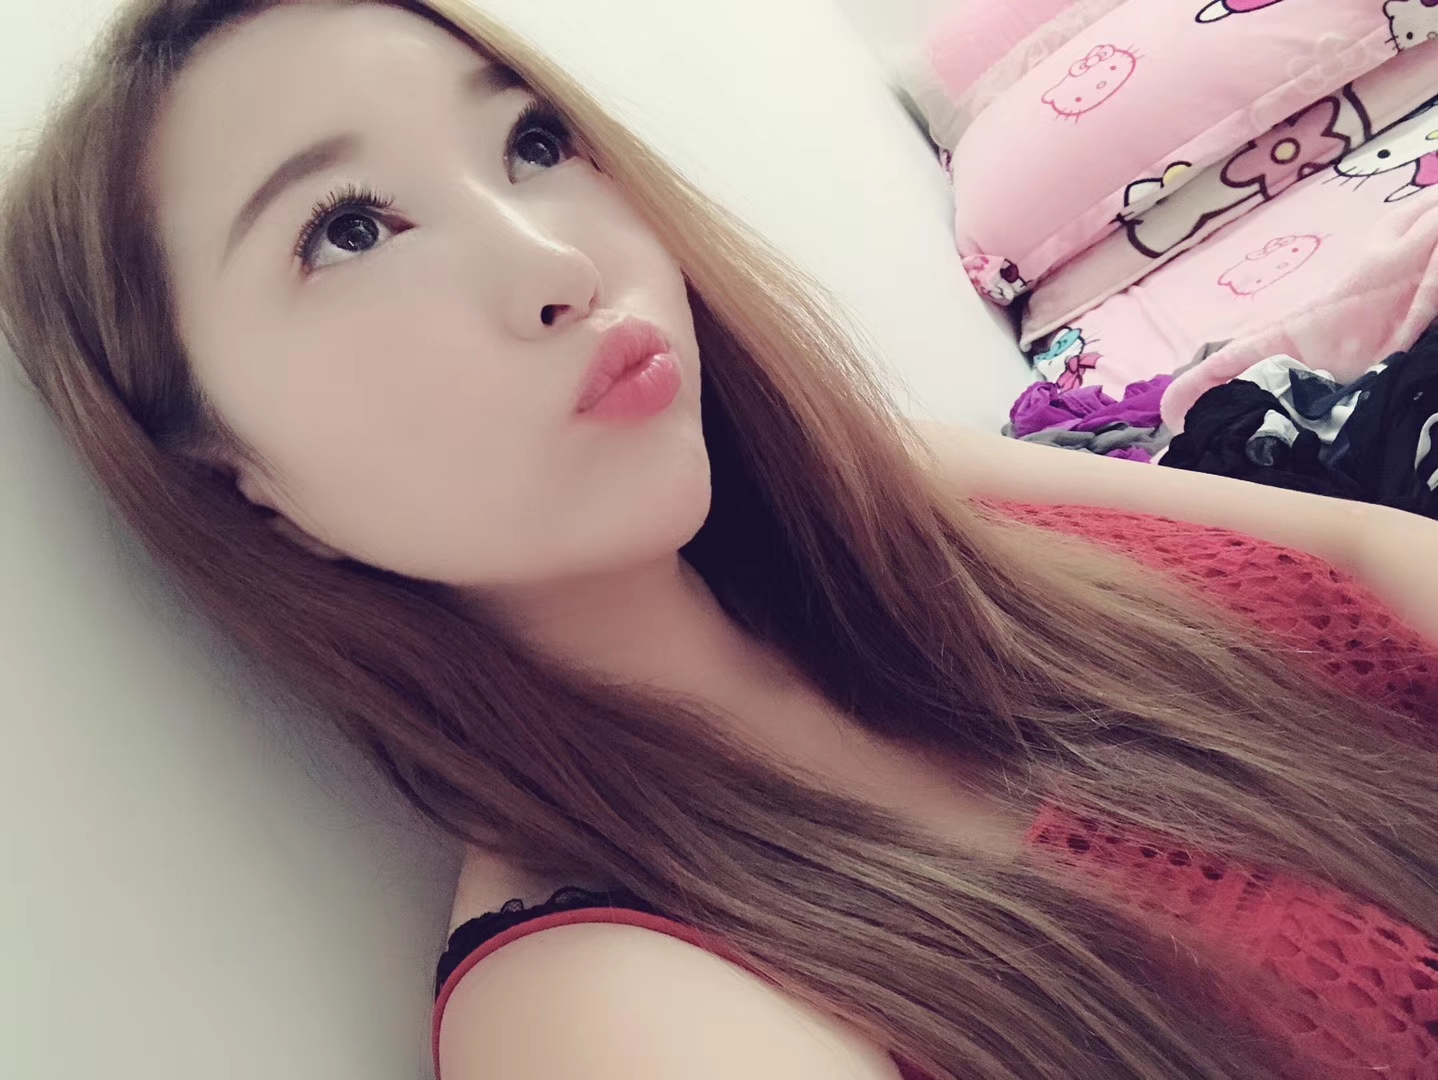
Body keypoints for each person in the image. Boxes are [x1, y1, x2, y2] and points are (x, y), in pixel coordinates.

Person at [1, 2, 1436, 1079]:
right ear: (236, 473)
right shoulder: (604, 1005)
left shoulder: (893, 496)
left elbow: (1368, 556)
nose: (559, 264)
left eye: (533, 144)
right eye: (350, 230)